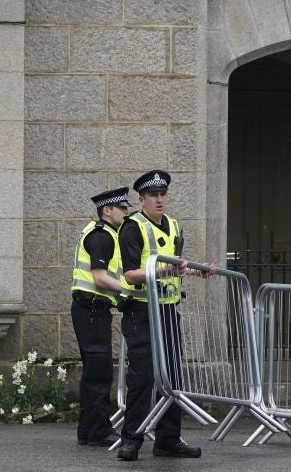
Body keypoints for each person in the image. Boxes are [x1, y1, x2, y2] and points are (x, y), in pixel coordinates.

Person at [116, 170, 200, 461]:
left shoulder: (174, 225)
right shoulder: (132, 227)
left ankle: (168, 440)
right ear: (142, 199)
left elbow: (177, 266)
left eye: (163, 194)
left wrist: (200, 270)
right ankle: (131, 440)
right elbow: (130, 274)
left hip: (168, 309)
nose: (160, 200)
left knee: (173, 376)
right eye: (153, 195)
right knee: (142, 377)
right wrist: (165, 269)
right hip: (141, 311)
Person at [71, 187, 131, 447]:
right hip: (92, 309)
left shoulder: (102, 233)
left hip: (92, 309)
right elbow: (99, 277)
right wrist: (128, 290)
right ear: (107, 210)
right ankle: (98, 431)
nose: (126, 212)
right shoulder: (102, 236)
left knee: (94, 371)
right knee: (99, 371)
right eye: (122, 208)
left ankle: (87, 430)